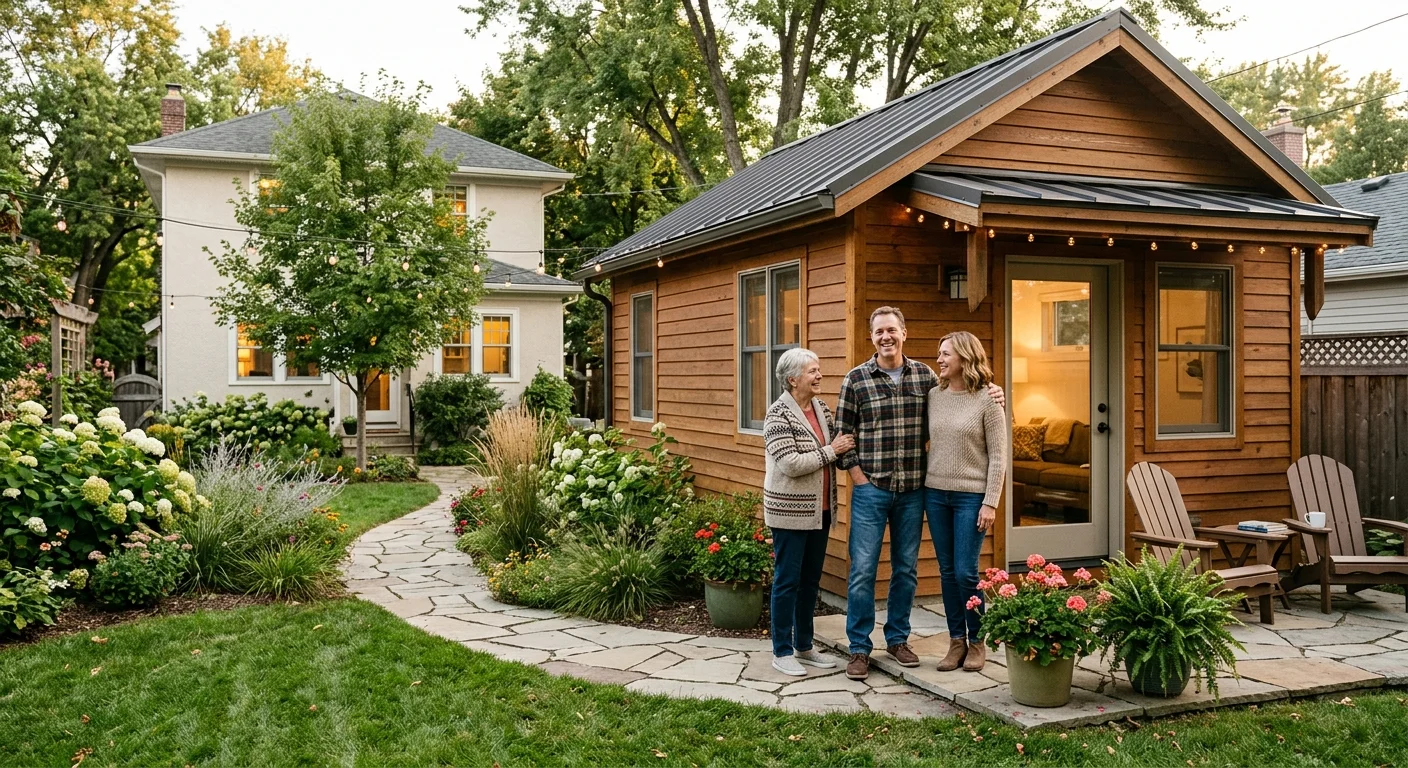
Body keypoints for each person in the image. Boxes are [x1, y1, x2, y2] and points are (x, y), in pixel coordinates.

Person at [835, 307, 1004, 680]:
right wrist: (859, 478)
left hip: (914, 491)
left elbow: (974, 413)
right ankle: (860, 649)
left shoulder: (927, 379)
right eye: (879, 331)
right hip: (873, 491)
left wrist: (994, 391)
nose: (886, 337)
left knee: (908, 571)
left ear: (904, 333)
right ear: (872, 336)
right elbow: (841, 435)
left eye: (892, 330)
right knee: (863, 571)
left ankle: (899, 639)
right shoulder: (857, 380)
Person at [763, 348, 854, 676]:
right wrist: (832, 450)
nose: (819, 375)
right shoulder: (777, 415)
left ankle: (803, 645)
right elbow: (790, 464)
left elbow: (837, 449)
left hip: (821, 511)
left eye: (819, 369)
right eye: (812, 371)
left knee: (810, 582)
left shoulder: (821, 407)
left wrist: (843, 450)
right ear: (792, 379)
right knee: (787, 581)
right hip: (789, 513)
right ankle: (781, 651)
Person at [925, 331, 1006, 673]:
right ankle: (955, 641)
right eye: (939, 353)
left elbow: (999, 455)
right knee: (946, 571)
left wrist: (990, 502)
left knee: (965, 571)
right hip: (935, 494)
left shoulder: (988, 399)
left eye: (946, 354)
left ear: (965, 358)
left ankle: (977, 641)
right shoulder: (933, 395)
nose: (939, 360)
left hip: (971, 497)